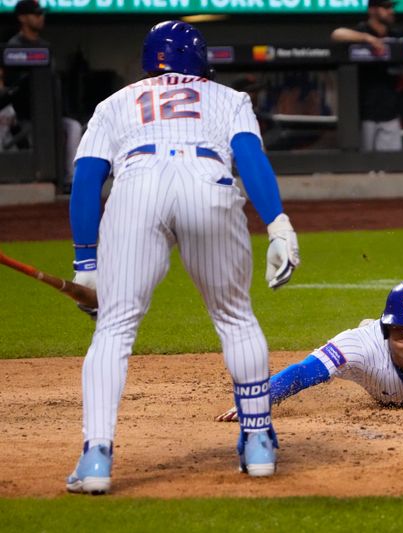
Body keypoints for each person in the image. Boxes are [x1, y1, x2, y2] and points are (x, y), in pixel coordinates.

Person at [65, 20, 301, 494]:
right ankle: (257, 442)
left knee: (114, 326)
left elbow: (88, 179)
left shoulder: (114, 103)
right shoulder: (228, 98)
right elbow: (250, 157)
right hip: (207, 180)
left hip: (136, 186)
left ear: (147, 60)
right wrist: (278, 224)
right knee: (235, 317)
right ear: (202, 60)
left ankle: (96, 457)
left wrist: (85, 264)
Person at [215, 270, 403, 424]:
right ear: (385, 325)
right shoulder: (360, 346)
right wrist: (261, 398)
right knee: (354, 351)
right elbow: (304, 372)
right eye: (398, 325)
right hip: (371, 351)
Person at [331, 0, 403, 152]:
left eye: (392, 7)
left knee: (392, 166)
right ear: (372, 10)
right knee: (362, 166)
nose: (391, 11)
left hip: (391, 113)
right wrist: (368, 39)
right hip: (363, 116)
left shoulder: (396, 35)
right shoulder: (362, 31)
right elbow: (337, 34)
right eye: (386, 7)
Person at [6, 0, 82, 188]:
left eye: (42, 13)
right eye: (36, 14)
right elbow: (12, 87)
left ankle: (70, 179)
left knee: (73, 127)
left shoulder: (44, 45)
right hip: (22, 115)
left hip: (48, 113)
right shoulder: (13, 46)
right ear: (22, 18)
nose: (41, 17)